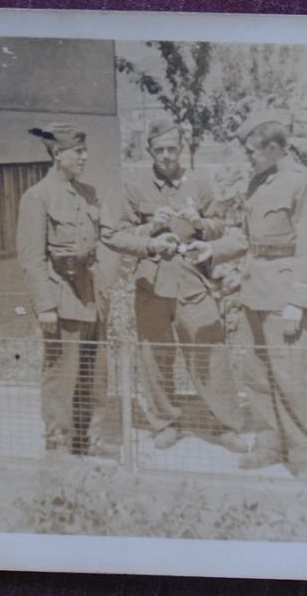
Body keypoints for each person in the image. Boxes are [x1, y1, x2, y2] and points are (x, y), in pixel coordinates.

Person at [187, 110, 307, 475]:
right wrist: (211, 250)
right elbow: (246, 237)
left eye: (252, 150)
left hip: (284, 296)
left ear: (272, 147)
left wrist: (298, 301)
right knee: (257, 376)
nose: (247, 157)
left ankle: (305, 455)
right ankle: (269, 444)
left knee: (291, 378)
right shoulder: (258, 181)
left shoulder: (303, 181)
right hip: (254, 291)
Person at [100, 119, 247, 453]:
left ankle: (226, 424)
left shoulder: (200, 183)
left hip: (193, 283)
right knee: (155, 357)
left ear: (182, 148)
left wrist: (201, 223)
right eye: (159, 150)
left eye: (171, 149)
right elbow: (115, 235)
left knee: (210, 354)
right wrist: (151, 233)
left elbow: (222, 227)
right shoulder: (135, 187)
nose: (166, 156)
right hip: (151, 286)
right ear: (149, 151)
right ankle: (164, 423)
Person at [16, 122, 117, 458]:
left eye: (85, 151)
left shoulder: (89, 193)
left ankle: (89, 439)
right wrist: (45, 306)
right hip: (61, 300)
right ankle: (57, 442)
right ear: (58, 154)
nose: (85, 157)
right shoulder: (37, 197)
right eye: (78, 152)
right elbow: (32, 259)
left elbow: (108, 239)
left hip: (92, 298)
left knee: (95, 373)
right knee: (61, 375)